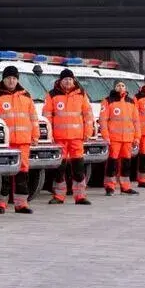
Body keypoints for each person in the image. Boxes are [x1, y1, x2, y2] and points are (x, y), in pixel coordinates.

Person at [0, 65, 38, 214]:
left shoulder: (26, 96)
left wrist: (35, 136)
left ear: (17, 79)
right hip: (5, 143)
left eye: (14, 78)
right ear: (3, 79)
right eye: (8, 78)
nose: (11, 81)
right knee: (4, 173)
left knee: (23, 173)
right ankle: (0, 204)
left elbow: (33, 118)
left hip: (24, 142)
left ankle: (21, 204)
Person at [43, 68, 94, 205]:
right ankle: (59, 196)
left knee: (78, 168)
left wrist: (88, 132)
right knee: (59, 169)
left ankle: (80, 196)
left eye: (70, 79)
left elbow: (88, 115)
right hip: (59, 139)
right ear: (60, 81)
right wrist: (50, 134)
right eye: (65, 79)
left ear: (74, 80)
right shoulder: (52, 95)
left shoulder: (81, 94)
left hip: (77, 138)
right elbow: (47, 116)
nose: (68, 82)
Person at [99, 79, 141, 196]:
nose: (121, 87)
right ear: (114, 88)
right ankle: (110, 187)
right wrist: (106, 136)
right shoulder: (108, 101)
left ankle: (125, 187)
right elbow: (103, 120)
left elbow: (136, 121)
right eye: (118, 85)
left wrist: (137, 137)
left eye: (123, 85)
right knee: (112, 163)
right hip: (114, 139)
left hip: (128, 139)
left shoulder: (131, 102)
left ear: (126, 88)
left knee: (126, 163)